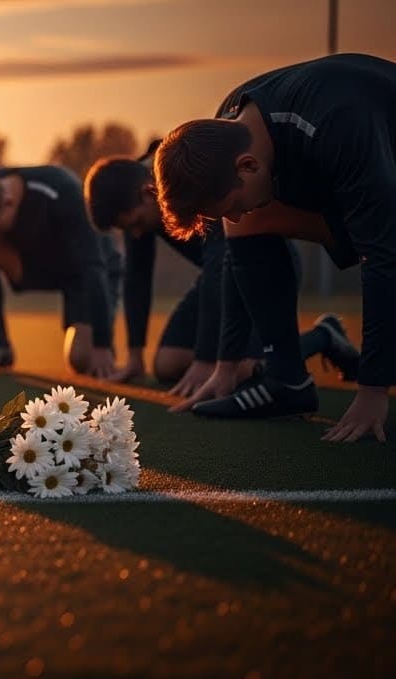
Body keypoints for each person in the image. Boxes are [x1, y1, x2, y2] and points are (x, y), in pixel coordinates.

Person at [154, 53, 394, 441]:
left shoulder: (339, 122)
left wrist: (373, 390)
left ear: (247, 166)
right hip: (349, 181)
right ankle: (287, 380)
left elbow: (384, 256)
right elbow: (237, 251)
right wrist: (226, 367)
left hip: (381, 167)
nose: (232, 216)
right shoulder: (228, 123)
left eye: (230, 207)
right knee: (247, 225)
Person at [84, 146, 358, 394]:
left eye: (137, 222)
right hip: (218, 278)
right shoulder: (134, 196)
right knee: (168, 364)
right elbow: (137, 277)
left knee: (242, 373)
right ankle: (245, 357)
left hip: (264, 271)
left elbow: (219, 260)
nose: (137, 232)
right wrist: (134, 356)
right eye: (129, 228)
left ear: (148, 192)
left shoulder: (186, 177)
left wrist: (205, 361)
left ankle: (324, 336)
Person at [0, 165, 118, 377]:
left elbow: (93, 266)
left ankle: (96, 338)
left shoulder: (61, 191)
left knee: (81, 359)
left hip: (82, 271)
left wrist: (102, 343)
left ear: (8, 203)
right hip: (33, 264)